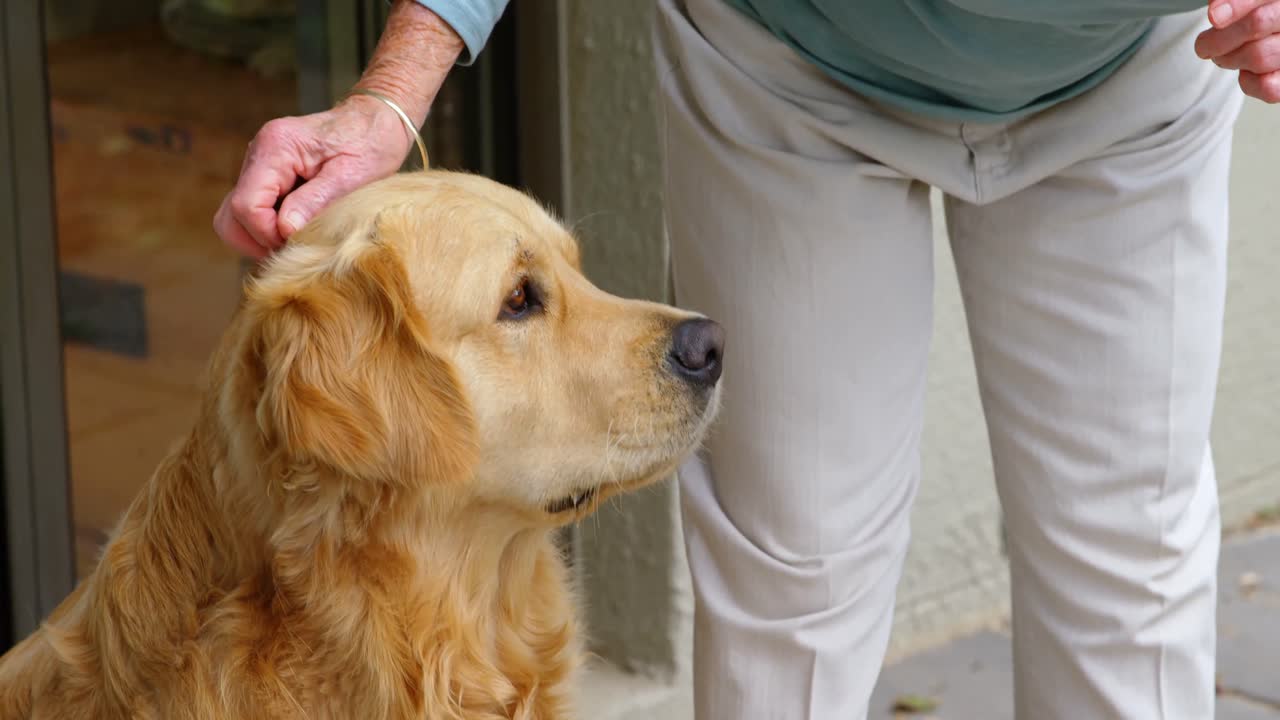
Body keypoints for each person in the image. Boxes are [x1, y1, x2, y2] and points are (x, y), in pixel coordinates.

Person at [214, 0, 1280, 717]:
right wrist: (392, 92)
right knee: (795, 569)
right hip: (788, 63)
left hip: (1129, 75)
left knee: (1123, 549)